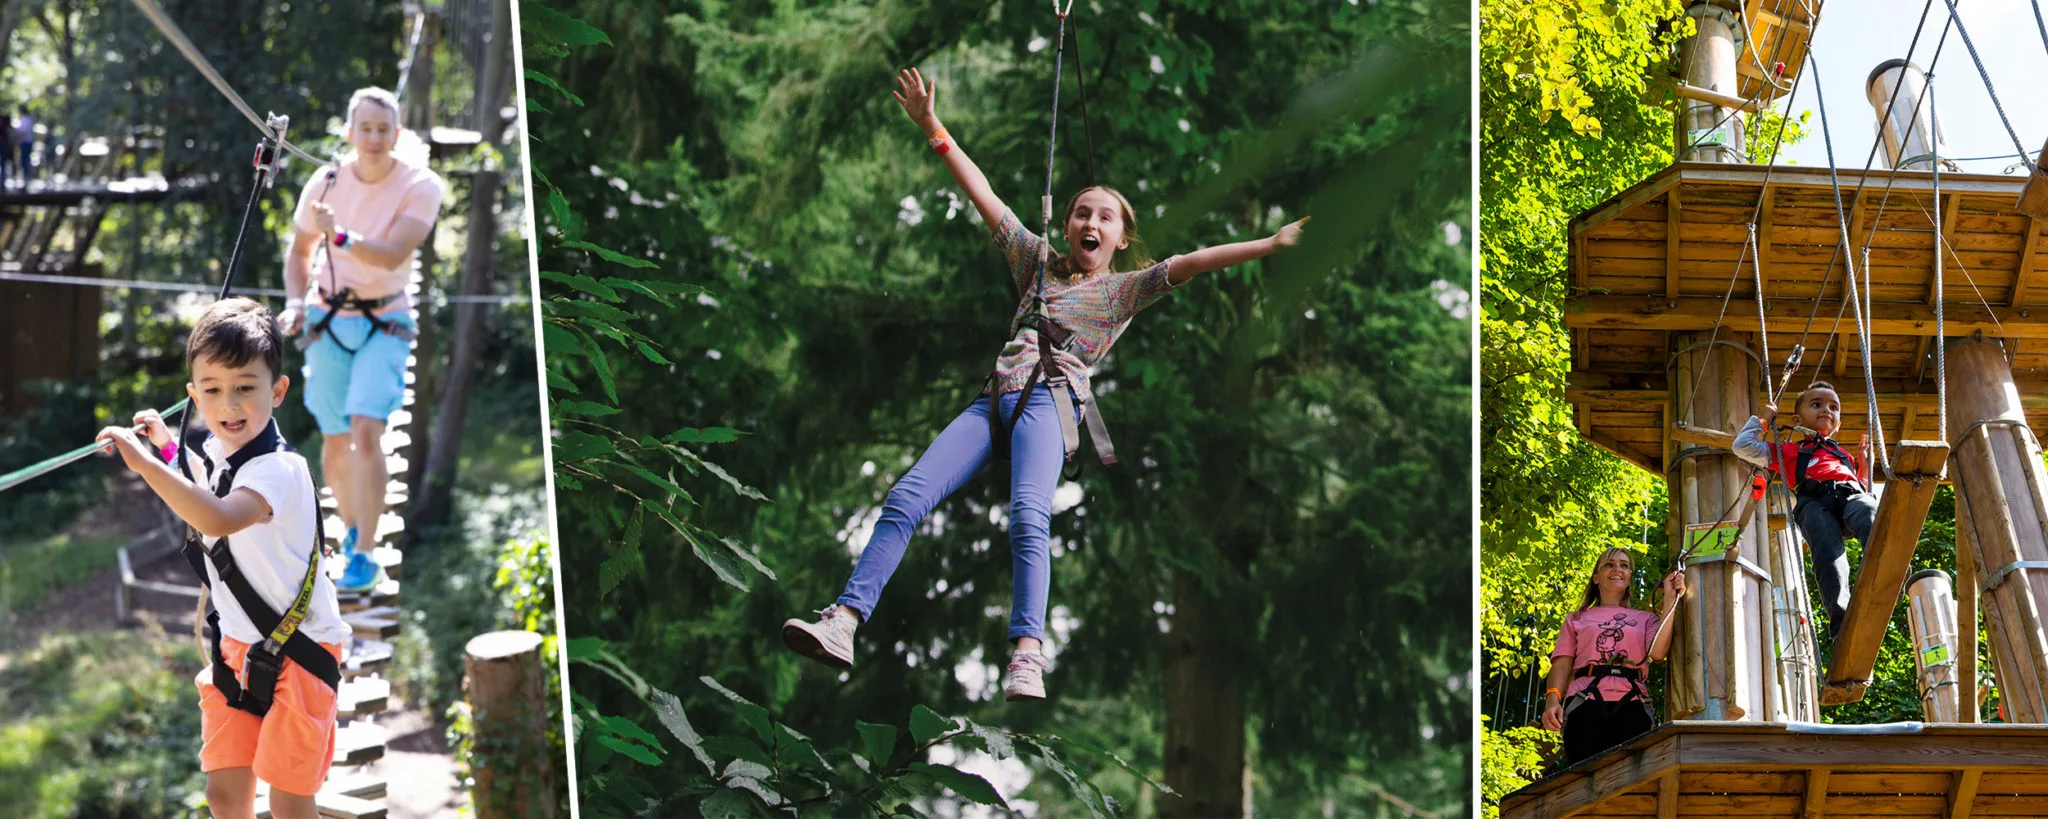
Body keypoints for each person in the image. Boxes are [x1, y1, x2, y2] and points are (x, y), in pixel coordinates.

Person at [780, 67, 1309, 701]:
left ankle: (1028, 653)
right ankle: (844, 620)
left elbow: (1192, 262)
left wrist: (1271, 245)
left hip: (1049, 409)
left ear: (1120, 237)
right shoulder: (1033, 262)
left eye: (1106, 217)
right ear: (1068, 226)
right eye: (1083, 211)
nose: (1091, 220)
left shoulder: (1123, 291)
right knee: (905, 497)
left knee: (1028, 517)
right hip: (991, 405)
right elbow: (982, 193)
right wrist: (931, 127)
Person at [97, 298, 349, 819]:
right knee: (225, 796)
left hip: (301, 655)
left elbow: (216, 517)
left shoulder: (280, 471)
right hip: (237, 646)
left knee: (289, 802)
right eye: (212, 391)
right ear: (194, 395)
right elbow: (201, 484)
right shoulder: (216, 451)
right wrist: (168, 450)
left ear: (277, 391)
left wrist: (143, 466)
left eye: (245, 388)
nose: (229, 406)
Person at [278, 86, 444, 593]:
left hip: (385, 322)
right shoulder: (325, 183)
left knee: (367, 428)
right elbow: (299, 251)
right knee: (334, 439)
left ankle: (366, 552)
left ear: (397, 135)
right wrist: (292, 302)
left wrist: (342, 235)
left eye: (383, 129)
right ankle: (351, 531)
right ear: (350, 133)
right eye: (364, 128)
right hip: (327, 318)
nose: (373, 138)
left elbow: (394, 254)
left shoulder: (420, 184)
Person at [1732, 380, 1873, 638]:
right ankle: (1842, 623)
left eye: (1833, 407)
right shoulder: (1790, 451)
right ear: (1797, 418)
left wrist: (1862, 466)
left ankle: (1881, 562)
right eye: (1817, 404)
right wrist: (1764, 419)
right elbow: (1742, 446)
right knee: (1828, 558)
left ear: (1839, 421)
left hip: (1847, 496)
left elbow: (1860, 488)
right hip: (1814, 504)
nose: (1826, 410)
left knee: (1868, 508)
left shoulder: (1844, 456)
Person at [1540, 548, 1684, 765]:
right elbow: (1562, 662)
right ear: (1596, 577)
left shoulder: (1646, 619)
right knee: (1584, 777)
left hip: (1632, 702)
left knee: (1631, 779)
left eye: (1624, 565)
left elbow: (1658, 653)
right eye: (1609, 564)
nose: (1618, 569)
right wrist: (1552, 701)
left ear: (1629, 578)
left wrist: (1671, 597)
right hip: (1585, 702)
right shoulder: (1577, 618)